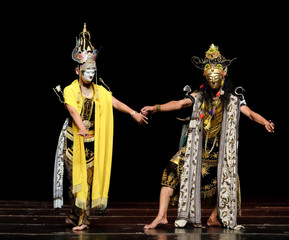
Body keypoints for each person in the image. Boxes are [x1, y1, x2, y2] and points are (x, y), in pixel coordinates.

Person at [141, 44, 274, 229]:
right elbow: (179, 104)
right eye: (210, 75)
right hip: (195, 150)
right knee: (170, 172)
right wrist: (156, 107)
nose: (213, 79)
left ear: (223, 75)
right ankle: (161, 216)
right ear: (205, 75)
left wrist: (265, 122)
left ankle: (214, 218)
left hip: (217, 153)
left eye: (216, 76)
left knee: (231, 181)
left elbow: (250, 113)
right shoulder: (198, 97)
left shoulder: (233, 99)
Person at [53, 23, 147, 231]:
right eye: (86, 70)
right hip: (73, 140)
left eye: (93, 70)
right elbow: (73, 111)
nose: (90, 73)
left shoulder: (99, 90)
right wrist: (81, 128)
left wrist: (133, 113)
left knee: (85, 182)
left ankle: (83, 221)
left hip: (92, 143)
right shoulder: (69, 89)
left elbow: (114, 102)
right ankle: (73, 214)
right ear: (77, 70)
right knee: (74, 182)